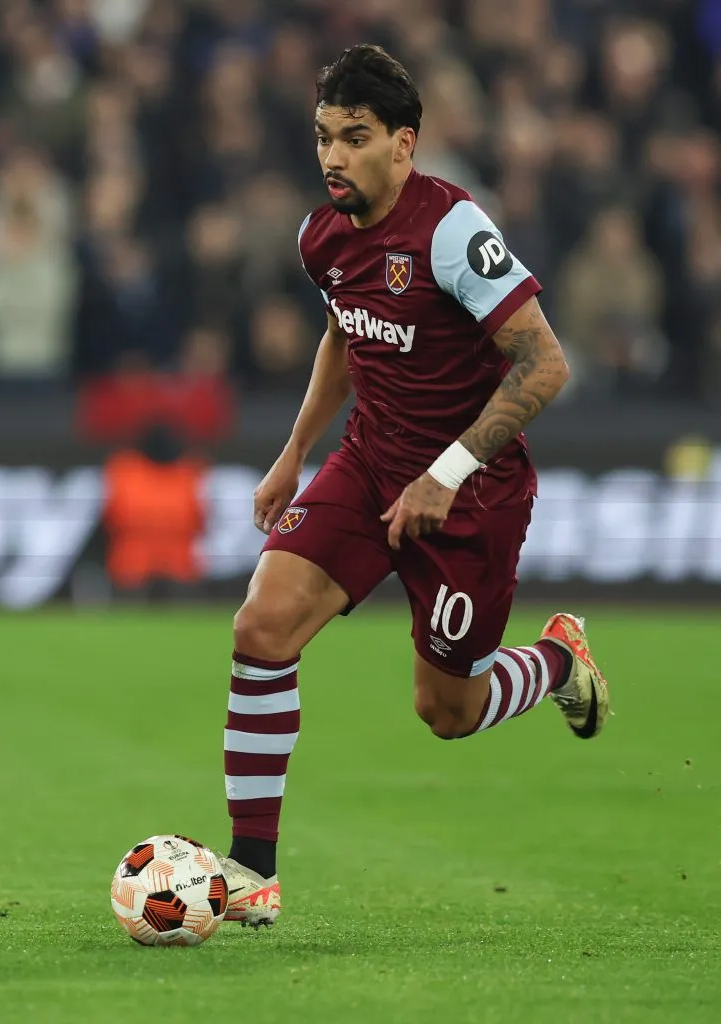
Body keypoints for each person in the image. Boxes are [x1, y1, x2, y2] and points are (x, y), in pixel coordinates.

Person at [217, 45, 610, 929]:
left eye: (354, 139)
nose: (333, 158)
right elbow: (343, 338)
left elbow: (546, 365)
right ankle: (250, 873)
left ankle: (555, 662)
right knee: (262, 625)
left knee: (447, 711)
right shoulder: (322, 234)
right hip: (369, 466)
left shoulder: (452, 231)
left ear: (404, 144)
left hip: (471, 499)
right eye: (323, 138)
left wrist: (450, 470)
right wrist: (293, 454)